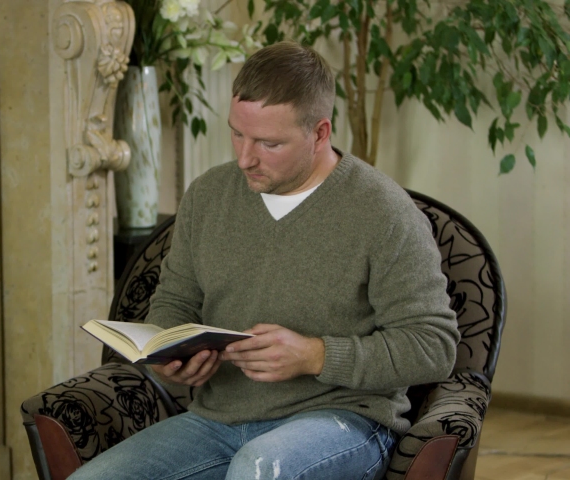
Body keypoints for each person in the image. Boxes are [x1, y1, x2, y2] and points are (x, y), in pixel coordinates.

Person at [69, 40, 460, 480]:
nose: (244, 158)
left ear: (320, 133)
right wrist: (171, 354)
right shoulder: (208, 195)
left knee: (259, 469)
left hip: (344, 421)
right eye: (237, 133)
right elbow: (174, 302)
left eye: (268, 143)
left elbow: (434, 346)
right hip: (217, 422)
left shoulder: (383, 211)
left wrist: (315, 355)